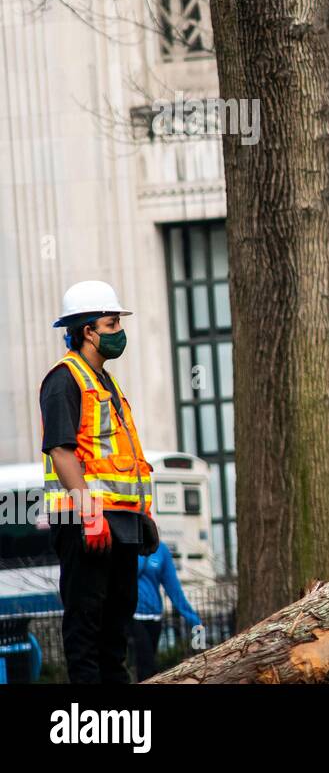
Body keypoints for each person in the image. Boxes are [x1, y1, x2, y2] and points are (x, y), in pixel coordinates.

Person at [39, 281, 157, 683]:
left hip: (119, 522)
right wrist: (90, 516)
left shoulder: (105, 381)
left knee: (115, 623)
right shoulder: (64, 379)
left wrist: (142, 518)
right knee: (85, 622)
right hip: (86, 521)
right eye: (111, 323)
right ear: (88, 330)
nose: (118, 331)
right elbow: (61, 450)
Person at [133, 542, 203, 681]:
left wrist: (193, 619)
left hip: (154, 617)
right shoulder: (125, 544)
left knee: (150, 667)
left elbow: (173, 588)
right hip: (131, 616)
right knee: (145, 664)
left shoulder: (161, 550)